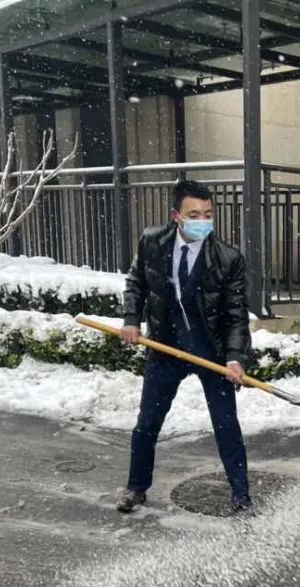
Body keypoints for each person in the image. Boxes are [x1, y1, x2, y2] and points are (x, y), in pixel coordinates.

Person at [116, 180, 254, 515]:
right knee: (147, 423)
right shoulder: (152, 242)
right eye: (194, 215)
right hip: (166, 347)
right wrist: (131, 319)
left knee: (226, 426)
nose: (202, 221)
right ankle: (136, 488)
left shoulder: (228, 259)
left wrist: (236, 358)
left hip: (212, 352)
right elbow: (136, 283)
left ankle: (241, 495)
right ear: (176, 216)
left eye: (208, 214)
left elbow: (236, 315)